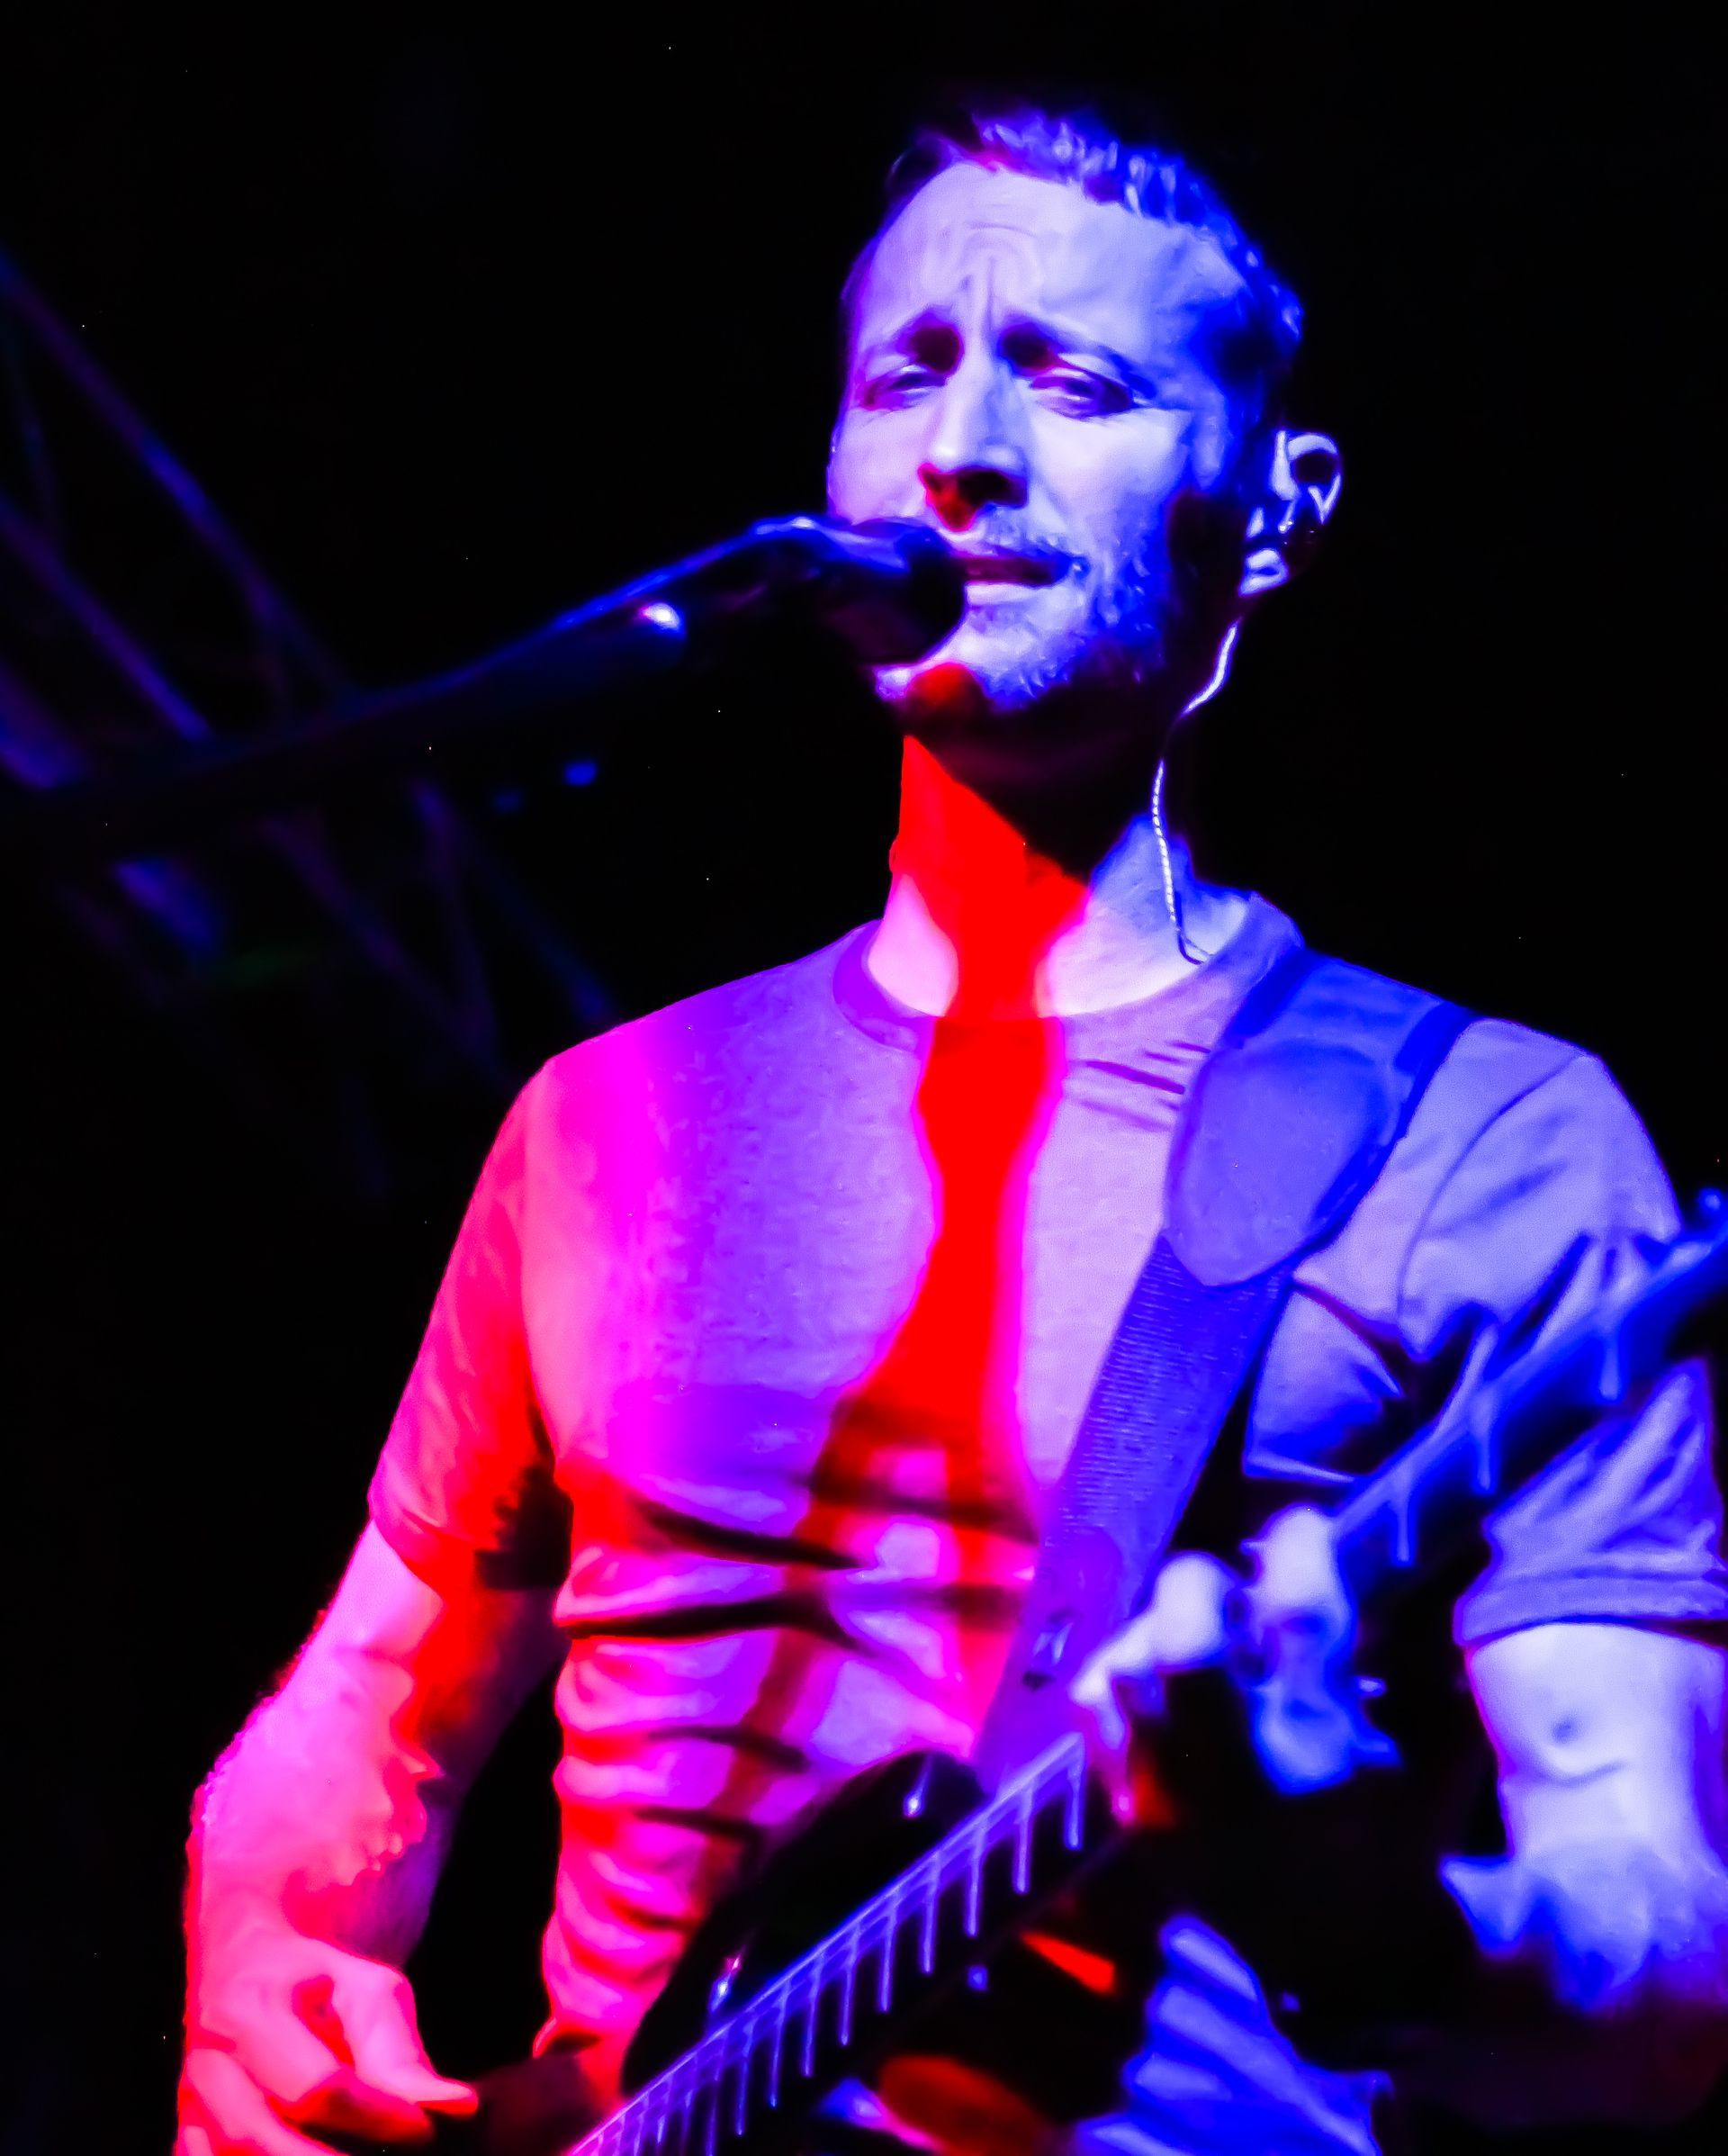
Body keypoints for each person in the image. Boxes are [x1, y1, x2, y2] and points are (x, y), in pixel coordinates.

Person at [177, 104, 1728, 2156]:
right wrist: (263, 1942)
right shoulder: (601, 1119)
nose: (963, 451)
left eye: (1073, 384)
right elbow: (375, 1697)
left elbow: (1666, 1978)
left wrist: (1380, 1917)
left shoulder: (1493, 1139)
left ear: (1278, 503)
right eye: (906, 373)